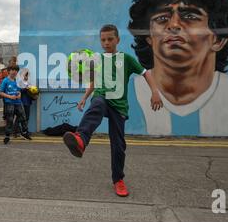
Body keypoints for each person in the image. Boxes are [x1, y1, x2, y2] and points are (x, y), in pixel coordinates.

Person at [128, 0, 228, 136]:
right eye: (162, 18)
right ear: (149, 37)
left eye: (189, 16)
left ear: (218, 39)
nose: (173, 25)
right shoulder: (128, 96)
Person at [63, 24, 163, 197]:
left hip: (119, 105)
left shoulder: (127, 59)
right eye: (103, 40)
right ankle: (81, 139)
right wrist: (85, 97)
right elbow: (95, 82)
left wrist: (155, 92)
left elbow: (146, 73)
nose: (106, 43)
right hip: (102, 98)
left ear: (118, 39)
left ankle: (118, 180)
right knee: (98, 103)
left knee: (118, 145)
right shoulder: (98, 60)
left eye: (110, 39)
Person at [0, 65, 32, 145]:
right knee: (10, 120)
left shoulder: (17, 80)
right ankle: (7, 136)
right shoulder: (5, 81)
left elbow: (19, 90)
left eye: (16, 70)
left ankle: (24, 132)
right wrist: (9, 96)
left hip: (18, 102)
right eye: (12, 70)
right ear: (9, 71)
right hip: (9, 103)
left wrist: (19, 94)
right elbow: (0, 92)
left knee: (23, 117)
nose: (14, 72)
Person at [13, 68, 33, 137]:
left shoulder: (29, 83)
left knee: (27, 117)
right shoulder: (20, 82)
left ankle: (25, 131)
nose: (26, 77)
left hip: (28, 102)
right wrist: (25, 89)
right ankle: (16, 131)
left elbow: (31, 93)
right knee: (19, 117)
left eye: (27, 75)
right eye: (25, 75)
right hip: (21, 102)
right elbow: (18, 91)